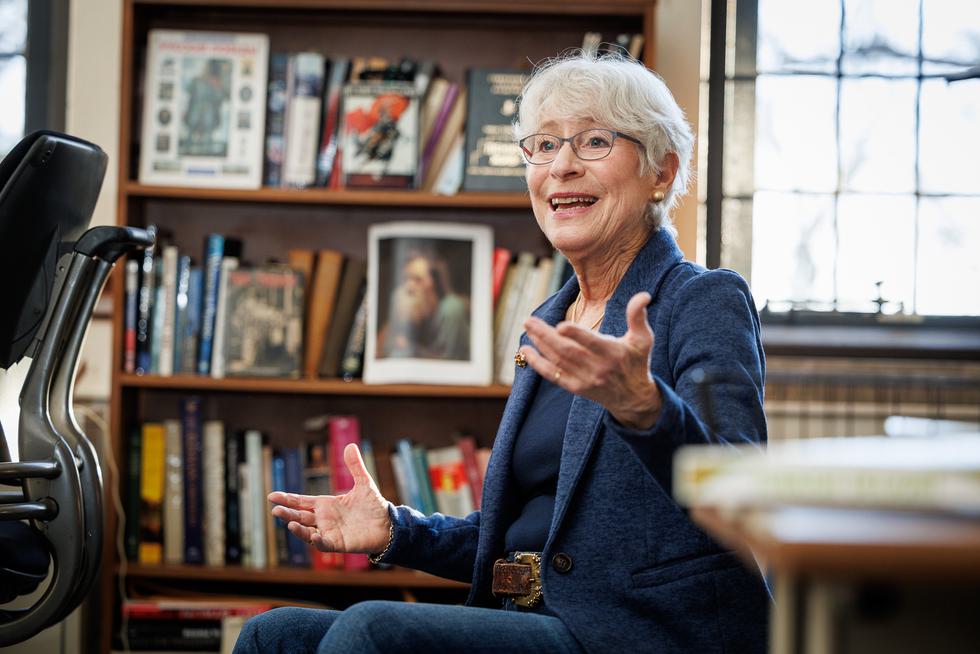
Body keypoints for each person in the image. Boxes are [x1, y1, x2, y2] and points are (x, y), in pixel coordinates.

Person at [235, 51, 769, 654]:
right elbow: (523, 541)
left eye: (594, 141)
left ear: (661, 171)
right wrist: (394, 531)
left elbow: (739, 488)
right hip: (536, 616)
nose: (560, 166)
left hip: (647, 631)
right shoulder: (545, 324)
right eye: (542, 146)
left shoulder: (701, 299)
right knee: (272, 635)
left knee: (372, 630)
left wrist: (647, 410)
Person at [377, 249, 470, 360]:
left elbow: (452, 363)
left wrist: (411, 348)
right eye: (406, 279)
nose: (409, 286)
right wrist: (396, 320)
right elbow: (379, 353)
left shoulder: (450, 308)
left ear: (434, 284)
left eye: (418, 279)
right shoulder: (410, 308)